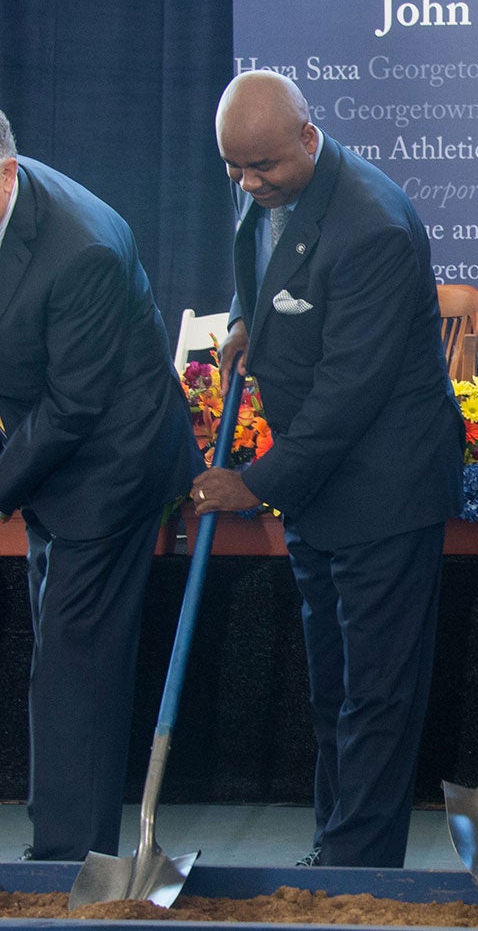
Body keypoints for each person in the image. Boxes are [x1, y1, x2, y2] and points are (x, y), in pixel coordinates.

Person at [0, 95, 199, 862]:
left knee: (75, 660)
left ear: (5, 173)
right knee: (65, 653)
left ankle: (71, 861)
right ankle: (69, 838)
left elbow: (75, 408)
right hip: (50, 457)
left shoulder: (83, 247)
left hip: (112, 465)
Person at [196, 69, 460, 868]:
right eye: (234, 169)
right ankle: (332, 846)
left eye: (262, 168)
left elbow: (349, 394)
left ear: (308, 138)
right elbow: (267, 267)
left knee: (375, 696)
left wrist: (255, 483)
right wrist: (249, 322)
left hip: (384, 488)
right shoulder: (269, 184)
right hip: (320, 491)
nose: (248, 183)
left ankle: (361, 872)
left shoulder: (372, 225)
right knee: (332, 688)